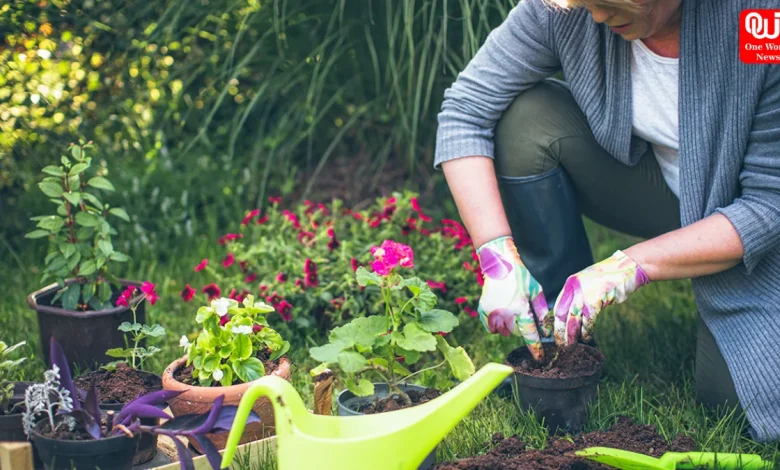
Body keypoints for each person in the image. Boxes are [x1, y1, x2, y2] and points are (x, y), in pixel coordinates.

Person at [434, 0, 780, 442]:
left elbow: (768, 205)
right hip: (660, 189)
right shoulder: (562, 10)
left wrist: (631, 265)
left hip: (751, 216)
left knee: (744, 403)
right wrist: (496, 256)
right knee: (526, 122)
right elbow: (466, 110)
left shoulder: (762, 19)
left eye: (607, 3)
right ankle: (561, 345)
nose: (596, 16)